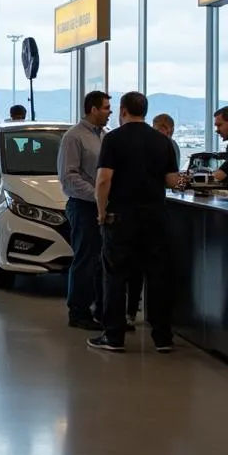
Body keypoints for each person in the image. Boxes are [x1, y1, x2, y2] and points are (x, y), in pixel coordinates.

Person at [89, 91, 183, 353]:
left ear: (122, 110)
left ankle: (114, 336)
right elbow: (171, 180)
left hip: (122, 217)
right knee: (157, 276)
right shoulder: (161, 141)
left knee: (116, 276)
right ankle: (163, 337)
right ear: (145, 110)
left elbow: (104, 179)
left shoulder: (114, 139)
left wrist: (100, 211)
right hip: (155, 217)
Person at [57, 91, 112, 331]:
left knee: (103, 262)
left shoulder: (105, 137)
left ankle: (101, 311)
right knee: (85, 260)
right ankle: (78, 312)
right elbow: (68, 177)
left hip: (103, 206)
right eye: (106, 107)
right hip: (83, 206)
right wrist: (98, 196)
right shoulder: (74, 137)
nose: (110, 111)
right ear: (92, 109)